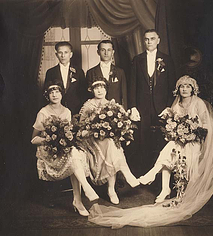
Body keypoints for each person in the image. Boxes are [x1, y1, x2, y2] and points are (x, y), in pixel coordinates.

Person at [88, 75, 213, 228]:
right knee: (168, 150)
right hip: (179, 140)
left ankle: (152, 174)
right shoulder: (176, 104)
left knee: (176, 152)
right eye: (182, 86)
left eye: (188, 86)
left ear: (193, 89)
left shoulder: (199, 103)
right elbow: (171, 123)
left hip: (194, 141)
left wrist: (191, 134)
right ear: (178, 89)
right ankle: (164, 187)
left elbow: (206, 126)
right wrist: (175, 133)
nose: (184, 89)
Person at [31, 81, 99, 216]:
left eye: (57, 92)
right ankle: (81, 195)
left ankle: (78, 200)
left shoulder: (67, 112)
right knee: (74, 156)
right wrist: (49, 140)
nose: (55, 95)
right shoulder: (43, 112)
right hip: (48, 150)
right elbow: (33, 139)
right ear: (47, 96)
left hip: (63, 149)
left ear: (62, 94)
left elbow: (67, 134)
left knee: (75, 155)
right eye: (51, 92)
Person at [79, 77, 140, 205]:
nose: (99, 90)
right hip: (92, 138)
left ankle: (111, 189)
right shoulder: (88, 105)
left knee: (111, 144)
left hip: (107, 139)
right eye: (96, 88)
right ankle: (125, 174)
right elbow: (82, 126)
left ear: (106, 89)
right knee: (111, 144)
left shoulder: (112, 105)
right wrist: (93, 129)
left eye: (102, 87)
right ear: (92, 90)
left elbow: (122, 122)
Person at [128, 29, 176, 173]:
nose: (149, 42)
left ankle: (161, 173)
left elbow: (171, 85)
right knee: (144, 138)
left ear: (158, 40)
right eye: (147, 39)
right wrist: (133, 106)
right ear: (144, 41)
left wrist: (169, 106)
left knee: (162, 138)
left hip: (161, 106)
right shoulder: (137, 59)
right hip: (142, 106)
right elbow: (132, 85)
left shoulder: (166, 59)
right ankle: (145, 171)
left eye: (152, 39)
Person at [44, 41, 88, 115]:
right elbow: (47, 93)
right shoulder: (51, 72)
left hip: (76, 110)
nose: (63, 55)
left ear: (70, 54)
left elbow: (83, 93)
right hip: (57, 111)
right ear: (56, 54)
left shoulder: (79, 71)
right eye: (60, 52)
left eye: (66, 52)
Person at [86, 40, 127, 109]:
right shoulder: (91, 72)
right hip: (96, 111)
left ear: (113, 52)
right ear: (98, 52)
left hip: (116, 111)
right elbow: (88, 95)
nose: (106, 53)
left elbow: (124, 94)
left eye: (109, 50)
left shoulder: (120, 72)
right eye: (103, 50)